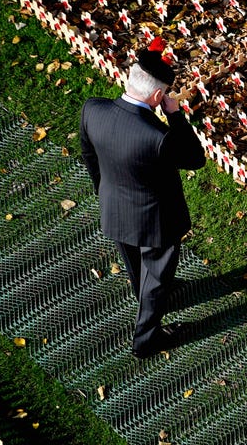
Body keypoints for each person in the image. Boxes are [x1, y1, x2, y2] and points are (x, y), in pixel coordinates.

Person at [79, 37, 206, 358]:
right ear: (158, 95)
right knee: (157, 279)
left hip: (114, 207)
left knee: (135, 266)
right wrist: (175, 115)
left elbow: (89, 156)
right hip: (156, 222)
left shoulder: (93, 109)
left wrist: (103, 190)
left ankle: (142, 292)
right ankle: (146, 340)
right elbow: (194, 158)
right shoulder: (158, 136)